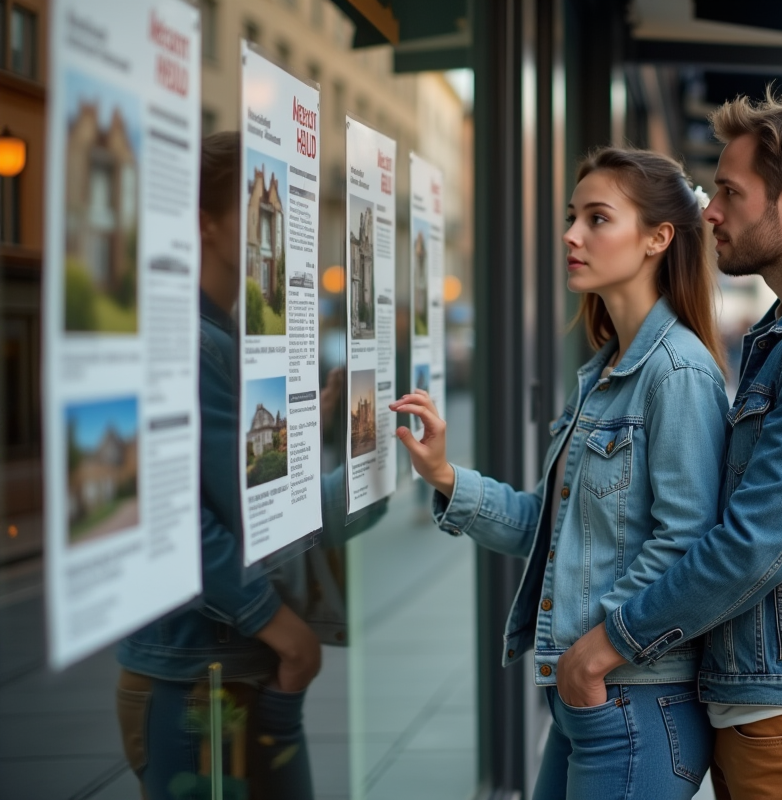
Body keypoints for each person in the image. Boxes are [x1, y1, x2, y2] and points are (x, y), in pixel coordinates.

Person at [557, 96, 782, 800]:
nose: (712, 211)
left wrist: (607, 645)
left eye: (730, 192)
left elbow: (753, 543)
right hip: (766, 708)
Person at [394, 148, 729, 800]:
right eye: (572, 218)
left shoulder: (677, 373)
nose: (572, 236)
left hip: (635, 703)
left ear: (658, 238)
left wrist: (594, 652)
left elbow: (688, 543)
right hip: (591, 699)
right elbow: (550, 531)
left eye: (597, 218)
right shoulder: (604, 375)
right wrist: (443, 475)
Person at [116, 132, 382, 799]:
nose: (283, 229)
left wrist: (344, 446)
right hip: (198, 678)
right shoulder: (195, 341)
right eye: (266, 209)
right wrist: (287, 633)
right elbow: (177, 519)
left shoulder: (232, 338)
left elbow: (255, 508)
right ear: (204, 224)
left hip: (228, 667)